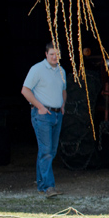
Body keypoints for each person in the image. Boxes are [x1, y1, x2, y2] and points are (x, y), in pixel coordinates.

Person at [21, 42, 67, 198]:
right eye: (52, 54)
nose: (55, 57)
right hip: (42, 114)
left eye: (57, 54)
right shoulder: (37, 69)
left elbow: (63, 90)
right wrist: (40, 107)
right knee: (46, 151)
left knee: (50, 151)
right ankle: (49, 187)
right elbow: (25, 90)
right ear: (46, 54)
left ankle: (42, 185)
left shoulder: (61, 71)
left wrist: (62, 105)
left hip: (56, 114)